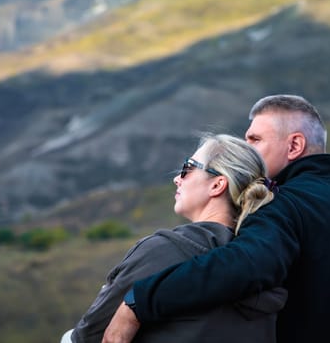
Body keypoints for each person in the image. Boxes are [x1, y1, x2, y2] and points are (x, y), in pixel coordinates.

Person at [103, 94, 330, 343]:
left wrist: (139, 301)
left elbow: (242, 266)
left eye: (255, 139)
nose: (246, 149)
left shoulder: (286, 204)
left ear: (294, 146)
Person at [61, 133, 286, 343]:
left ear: (217, 185)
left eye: (188, 168)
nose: (177, 179)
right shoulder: (269, 268)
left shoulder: (163, 251)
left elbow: (88, 334)